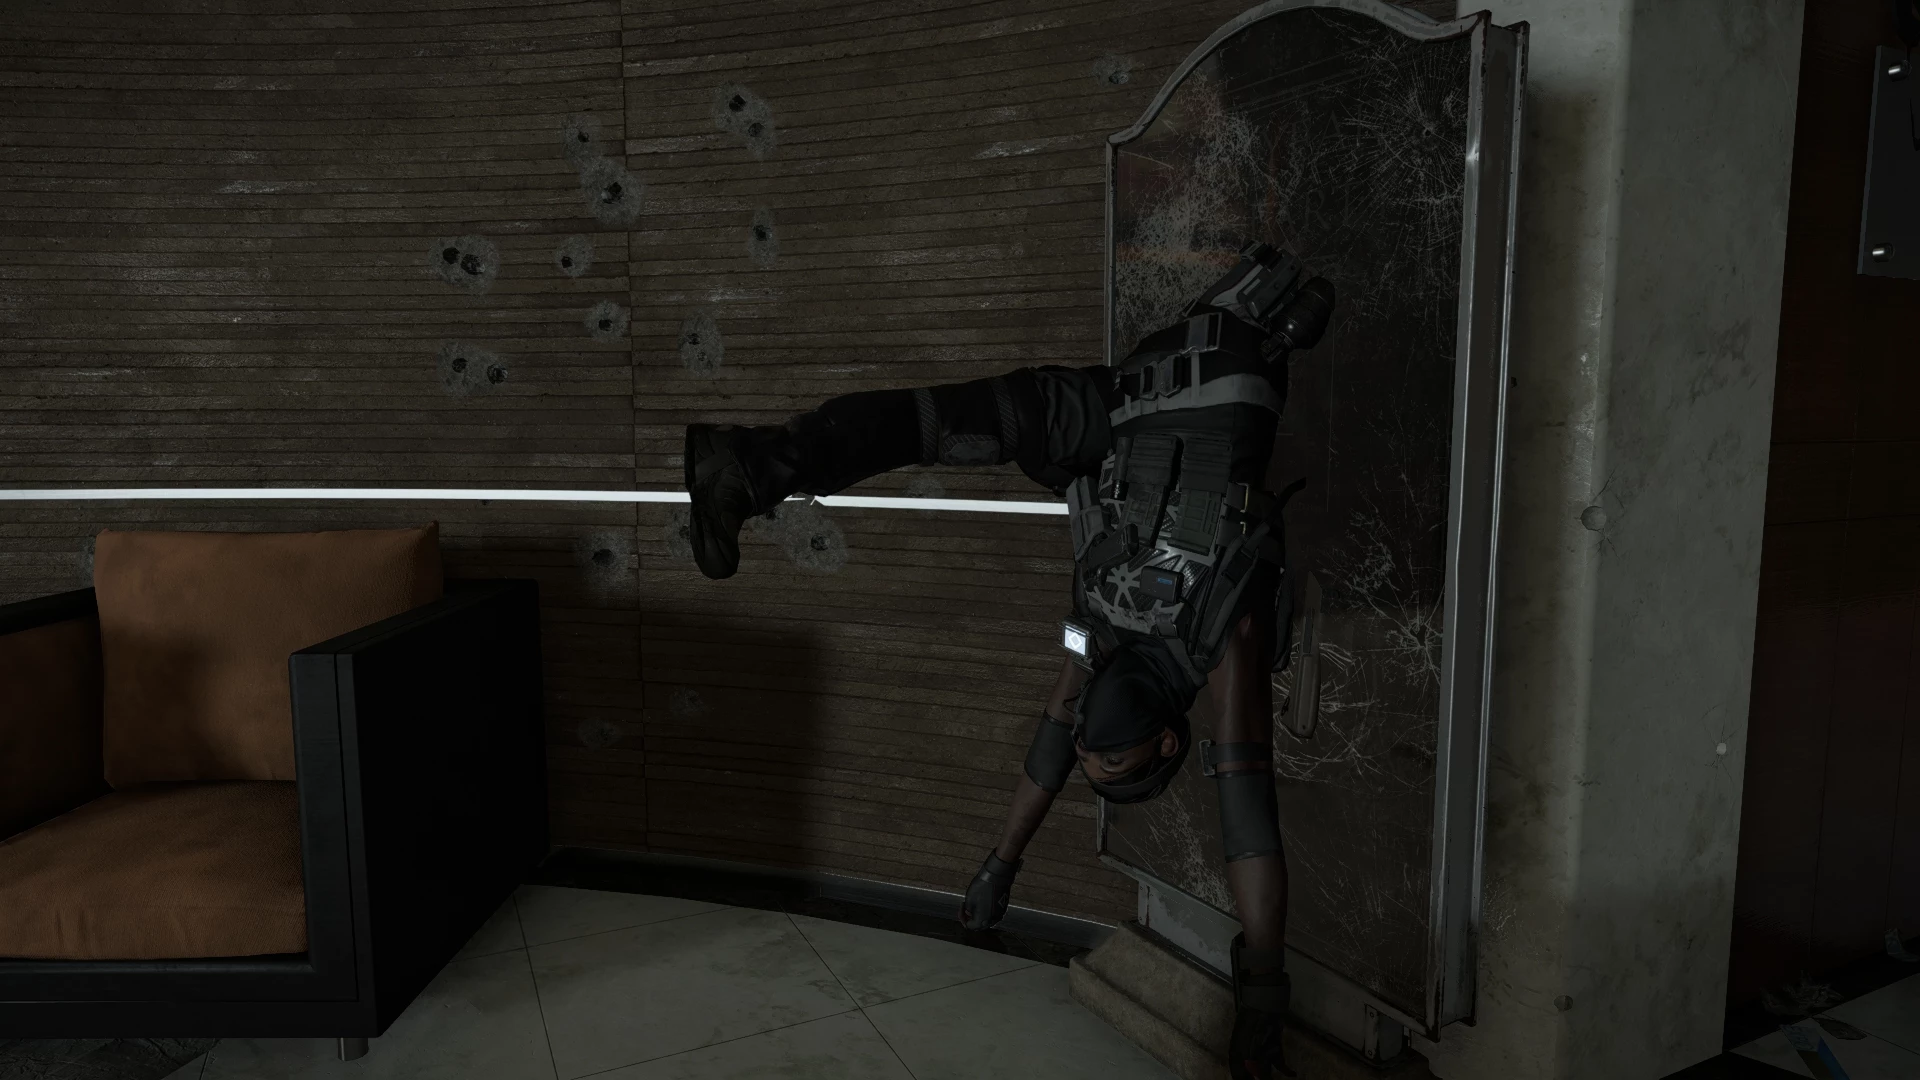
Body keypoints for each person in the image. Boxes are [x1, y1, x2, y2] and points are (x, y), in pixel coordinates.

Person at [684, 242, 1333, 1080]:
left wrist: (1001, 864)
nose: (1090, 740)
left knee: (941, 426)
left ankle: (750, 464)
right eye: (1112, 758)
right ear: (1167, 740)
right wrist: (1260, 1003)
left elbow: (1050, 740)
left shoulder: (1095, 639)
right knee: (946, 423)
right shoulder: (1218, 643)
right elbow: (1248, 829)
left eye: (1091, 757)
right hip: (1213, 382)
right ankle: (752, 465)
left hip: (1117, 409)